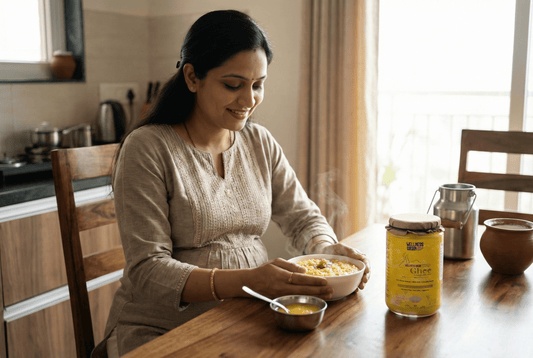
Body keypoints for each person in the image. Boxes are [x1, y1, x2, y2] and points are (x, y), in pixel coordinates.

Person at [92, 9, 370, 358]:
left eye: (258, 85)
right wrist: (250, 281)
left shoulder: (259, 143)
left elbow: (302, 218)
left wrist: (326, 251)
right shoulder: (147, 148)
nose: (249, 100)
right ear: (192, 77)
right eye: (233, 85)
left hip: (247, 316)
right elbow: (148, 271)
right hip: (161, 330)